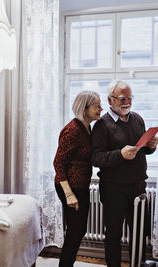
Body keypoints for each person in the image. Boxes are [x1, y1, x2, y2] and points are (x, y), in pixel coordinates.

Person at [91, 80, 158, 267]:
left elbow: (141, 150)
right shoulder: (101, 125)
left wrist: (151, 147)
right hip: (114, 189)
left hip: (138, 186)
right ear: (110, 100)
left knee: (139, 233)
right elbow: (96, 158)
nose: (126, 102)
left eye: (129, 98)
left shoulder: (137, 119)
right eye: (122, 99)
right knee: (113, 234)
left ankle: (137, 265)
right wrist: (120, 154)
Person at [53, 91, 103, 267]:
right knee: (75, 231)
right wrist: (69, 195)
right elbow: (58, 164)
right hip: (69, 186)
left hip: (80, 186)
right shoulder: (72, 130)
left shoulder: (87, 127)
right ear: (85, 108)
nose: (101, 109)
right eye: (97, 106)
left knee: (78, 230)